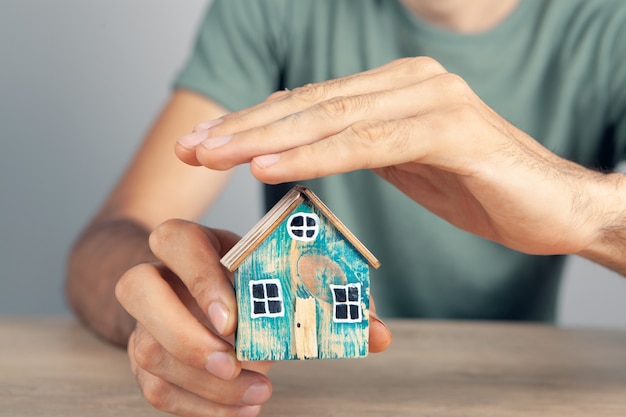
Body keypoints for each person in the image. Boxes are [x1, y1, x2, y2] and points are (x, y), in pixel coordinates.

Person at [66, 0, 626, 416]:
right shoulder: (270, 9)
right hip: (308, 397)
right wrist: (165, 303)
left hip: (514, 397)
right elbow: (113, 236)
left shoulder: (610, 25)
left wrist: (593, 213)